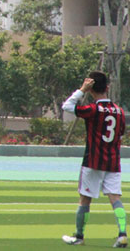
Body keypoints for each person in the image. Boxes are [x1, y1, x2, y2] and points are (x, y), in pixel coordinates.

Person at [61, 71, 127, 247]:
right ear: (107, 87)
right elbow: (120, 135)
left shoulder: (92, 109)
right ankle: (122, 234)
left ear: (91, 89)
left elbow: (67, 106)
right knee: (115, 198)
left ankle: (79, 236)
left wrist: (81, 90)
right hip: (113, 162)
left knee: (85, 199)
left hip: (93, 161)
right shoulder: (119, 111)